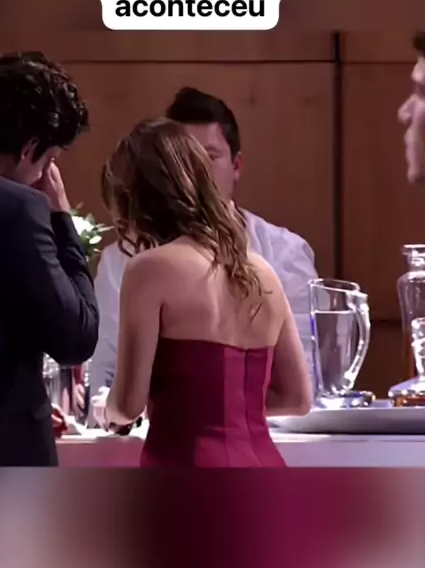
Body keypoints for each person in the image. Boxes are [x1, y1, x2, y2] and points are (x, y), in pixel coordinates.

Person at [98, 117, 312, 467]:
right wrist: (227, 408)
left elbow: (128, 405)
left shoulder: (148, 269)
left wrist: (105, 409)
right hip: (265, 470)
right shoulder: (263, 271)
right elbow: (297, 399)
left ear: (134, 198)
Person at [0, 51, 99, 466]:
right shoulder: (15, 208)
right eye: (49, 160)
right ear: (29, 147)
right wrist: (61, 218)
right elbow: (75, 336)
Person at [398, 32, 425, 183]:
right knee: (413, 137)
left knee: (414, 137)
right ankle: (418, 169)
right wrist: (409, 106)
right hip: (421, 104)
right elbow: (419, 93)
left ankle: (418, 169)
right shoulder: (421, 64)